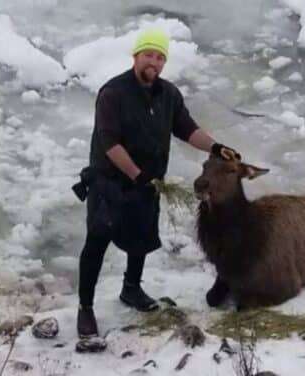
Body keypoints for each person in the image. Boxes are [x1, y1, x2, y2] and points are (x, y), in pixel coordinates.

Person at [72, 29, 240, 339]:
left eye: (160, 57)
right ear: (136, 56)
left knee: (141, 238)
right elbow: (110, 144)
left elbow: (187, 128)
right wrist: (137, 175)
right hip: (110, 183)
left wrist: (216, 148)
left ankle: (131, 289)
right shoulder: (113, 93)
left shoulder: (169, 94)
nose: (155, 61)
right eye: (149, 54)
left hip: (148, 183)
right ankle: (85, 308)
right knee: (97, 242)